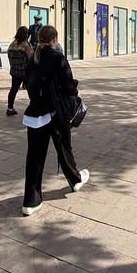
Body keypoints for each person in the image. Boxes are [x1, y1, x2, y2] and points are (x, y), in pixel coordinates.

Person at [22, 25, 89, 216]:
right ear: (54, 40)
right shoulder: (58, 58)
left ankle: (31, 201)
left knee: (34, 158)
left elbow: (28, 84)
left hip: (35, 114)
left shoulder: (33, 59)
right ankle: (75, 180)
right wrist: (73, 95)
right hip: (56, 113)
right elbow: (68, 87)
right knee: (64, 148)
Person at [6, 26, 33, 116]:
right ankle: (33, 108)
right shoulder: (26, 45)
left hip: (15, 72)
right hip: (26, 72)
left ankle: (10, 108)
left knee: (13, 90)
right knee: (31, 90)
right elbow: (31, 58)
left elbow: (9, 57)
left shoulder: (12, 44)